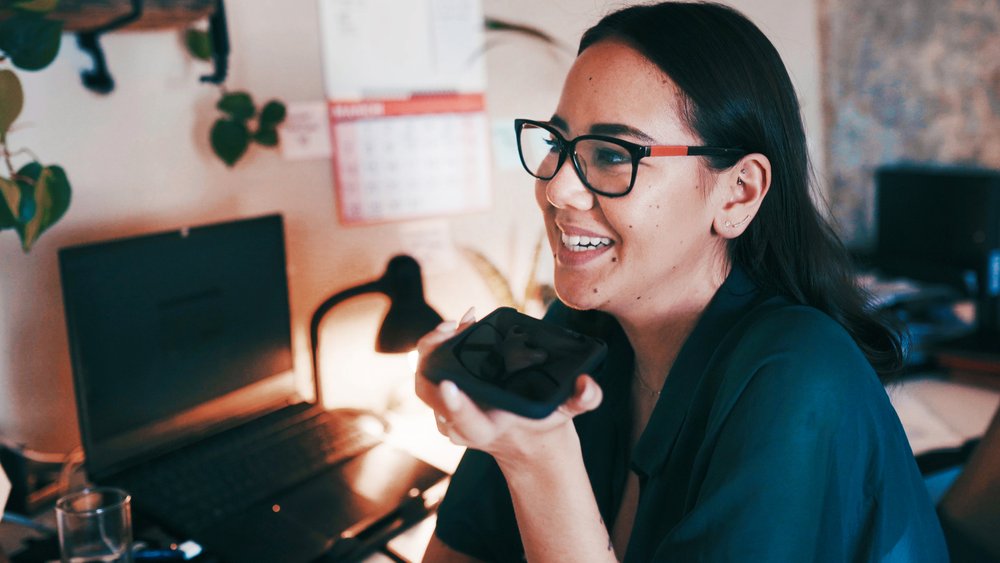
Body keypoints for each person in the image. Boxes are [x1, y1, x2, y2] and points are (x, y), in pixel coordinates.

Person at [415, 2, 948, 561]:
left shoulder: (799, 377)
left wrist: (538, 460)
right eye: (557, 143)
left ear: (738, 193)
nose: (558, 189)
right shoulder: (579, 331)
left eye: (613, 154)